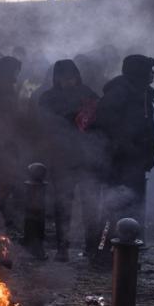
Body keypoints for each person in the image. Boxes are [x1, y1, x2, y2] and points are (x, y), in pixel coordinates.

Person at [38, 59, 101, 261]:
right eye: (64, 77)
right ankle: (62, 248)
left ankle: (91, 247)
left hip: (87, 157)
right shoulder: (48, 98)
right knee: (63, 204)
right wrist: (70, 117)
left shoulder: (88, 94)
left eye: (71, 77)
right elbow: (44, 124)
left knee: (90, 203)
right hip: (62, 157)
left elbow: (100, 121)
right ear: (56, 78)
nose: (68, 81)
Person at [93, 54, 154, 233]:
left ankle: (130, 244)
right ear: (139, 71)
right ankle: (108, 243)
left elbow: (147, 127)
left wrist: (151, 151)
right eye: (149, 70)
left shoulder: (143, 93)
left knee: (134, 205)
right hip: (119, 161)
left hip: (136, 161)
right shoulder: (119, 92)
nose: (153, 73)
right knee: (115, 204)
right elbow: (106, 123)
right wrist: (127, 148)